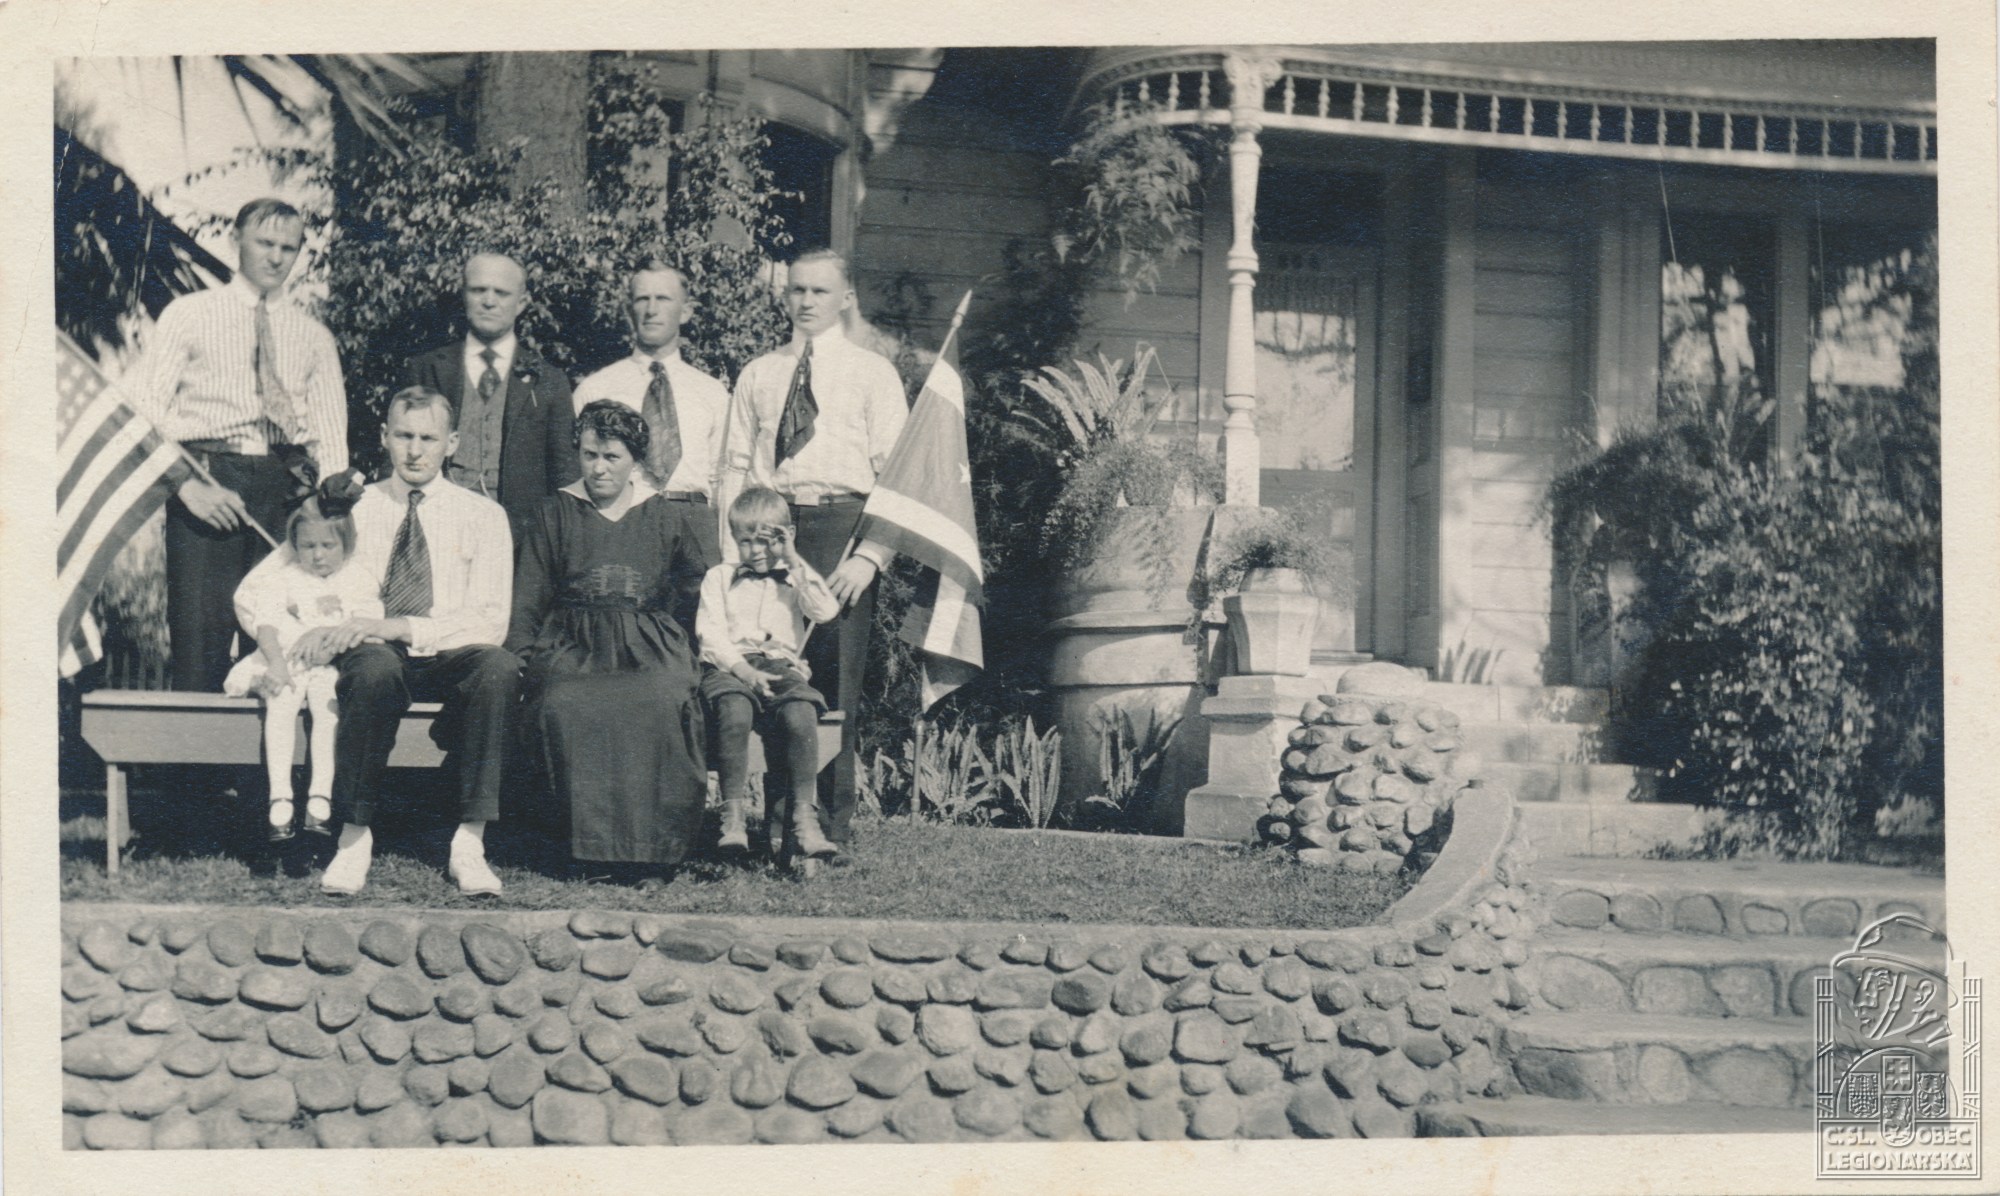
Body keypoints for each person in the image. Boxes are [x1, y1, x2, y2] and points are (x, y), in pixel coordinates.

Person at [282, 388, 519, 897]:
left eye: (428, 438)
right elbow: (298, 575)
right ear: (385, 437)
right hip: (374, 647)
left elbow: (490, 620)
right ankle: (354, 836)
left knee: (498, 668)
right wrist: (328, 623)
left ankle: (469, 843)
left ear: (451, 443)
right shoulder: (356, 509)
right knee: (373, 671)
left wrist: (404, 626)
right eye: (404, 436)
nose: (414, 451)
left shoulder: (483, 515)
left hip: (450, 647)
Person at [720, 249, 907, 853]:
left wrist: (870, 555)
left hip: (842, 526)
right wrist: (736, 552)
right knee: (778, 665)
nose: (806, 301)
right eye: (797, 290)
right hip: (772, 523)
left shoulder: (872, 373)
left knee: (834, 677)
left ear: (846, 298)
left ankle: (829, 828)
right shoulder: (759, 373)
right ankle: (779, 823)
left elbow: (898, 476)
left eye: (820, 291)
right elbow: (735, 467)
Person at [141, 197, 348, 691]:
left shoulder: (313, 336)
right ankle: (198, 745)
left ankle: (276, 745)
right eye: (264, 243)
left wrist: (325, 513)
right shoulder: (188, 314)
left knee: (284, 638)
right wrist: (186, 487)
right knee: (200, 642)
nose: (275, 257)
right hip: (208, 481)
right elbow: (144, 415)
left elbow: (331, 439)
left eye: (288, 248)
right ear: (237, 240)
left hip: (286, 491)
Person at [507, 400, 718, 883]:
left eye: (611, 457)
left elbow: (693, 590)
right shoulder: (555, 512)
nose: (598, 468)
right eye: (589, 455)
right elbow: (529, 592)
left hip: (648, 642)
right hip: (572, 642)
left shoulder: (662, 516)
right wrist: (521, 654)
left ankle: (652, 853)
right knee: (565, 703)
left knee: (662, 699)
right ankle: (583, 851)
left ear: (634, 461)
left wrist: (690, 648)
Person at [571, 262, 729, 628]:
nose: (652, 309)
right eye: (642, 299)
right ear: (629, 309)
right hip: (625, 519)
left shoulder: (712, 392)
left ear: (685, 311)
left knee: (700, 634)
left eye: (663, 298)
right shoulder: (596, 388)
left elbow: (723, 477)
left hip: (694, 523)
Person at [697, 488, 843, 858]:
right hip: (730, 666)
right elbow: (710, 636)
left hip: (780, 665)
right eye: (746, 542)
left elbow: (826, 611)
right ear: (734, 539)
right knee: (734, 710)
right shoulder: (718, 577)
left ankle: (804, 821)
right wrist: (744, 671)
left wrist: (793, 559)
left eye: (765, 541)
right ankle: (732, 819)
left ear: (785, 536)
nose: (756, 551)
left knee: (801, 712)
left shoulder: (794, 577)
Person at [225, 496, 380, 842]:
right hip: (287, 661)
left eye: (328, 545)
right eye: (308, 546)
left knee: (329, 712)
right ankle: (280, 797)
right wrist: (277, 665)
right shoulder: (283, 578)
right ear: (294, 545)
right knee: (280, 705)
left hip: (330, 666)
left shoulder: (358, 579)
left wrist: (329, 644)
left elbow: (363, 625)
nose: (318, 555)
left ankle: (319, 796)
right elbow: (266, 626)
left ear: (347, 544)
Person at [405, 252, 579, 545]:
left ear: (521, 303)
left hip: (518, 539)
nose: (489, 301)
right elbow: (398, 455)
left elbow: (566, 475)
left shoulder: (549, 381)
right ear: (464, 296)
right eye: (478, 290)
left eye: (501, 292)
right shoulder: (427, 369)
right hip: (436, 531)